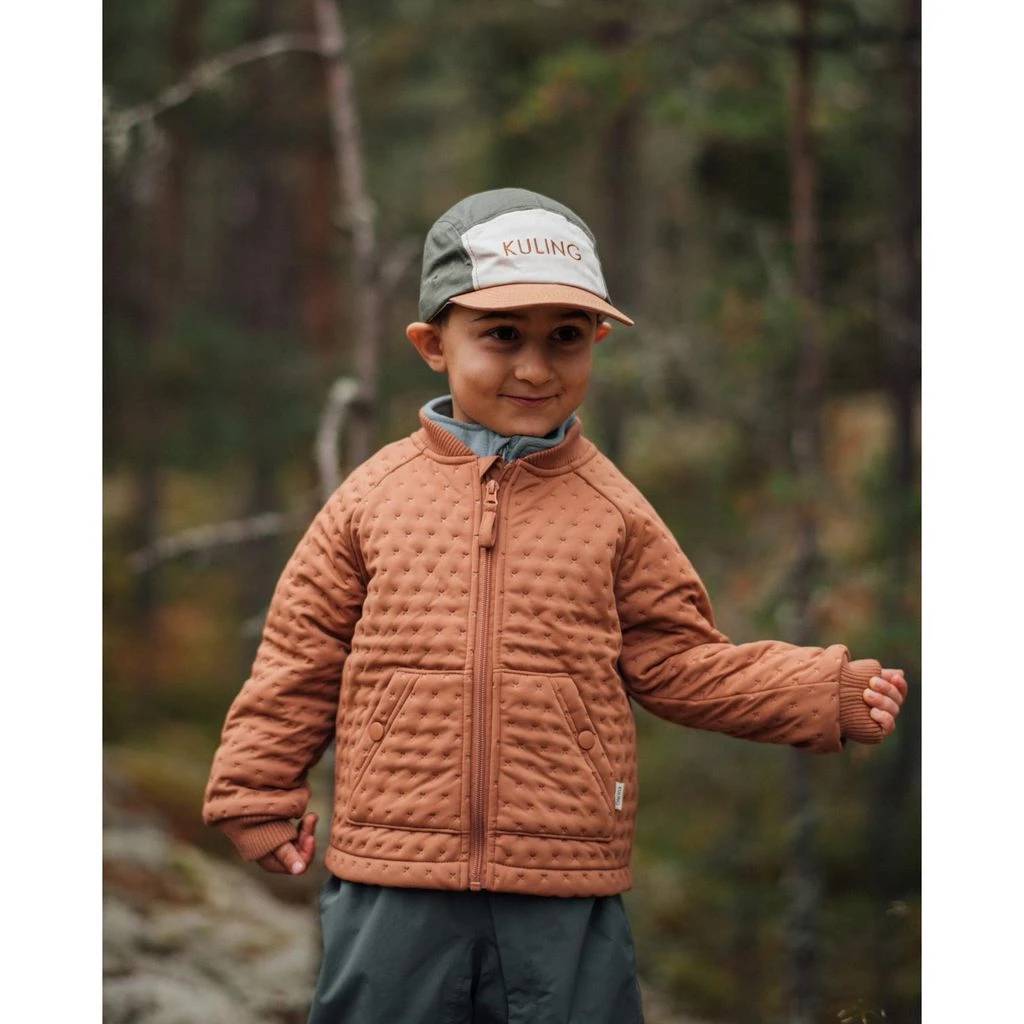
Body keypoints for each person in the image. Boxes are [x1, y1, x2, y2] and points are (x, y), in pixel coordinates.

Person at [203, 187, 908, 1024]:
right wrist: (256, 790)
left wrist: (818, 693)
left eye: (564, 338)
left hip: (564, 878)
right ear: (433, 344)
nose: (536, 368)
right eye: (503, 335)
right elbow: (300, 653)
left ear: (595, 341)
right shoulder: (373, 498)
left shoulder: (614, 511)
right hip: (393, 873)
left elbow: (679, 659)